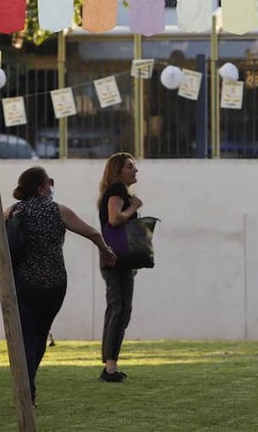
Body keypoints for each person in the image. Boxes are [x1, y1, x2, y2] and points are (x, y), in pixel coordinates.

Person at [0, 166, 116, 404]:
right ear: (42, 187)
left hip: (20, 285)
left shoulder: (12, 212)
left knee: (24, 337)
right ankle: (28, 383)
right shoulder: (58, 211)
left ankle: (26, 385)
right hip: (53, 285)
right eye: (49, 183)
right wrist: (106, 252)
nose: (52, 187)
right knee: (40, 335)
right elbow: (93, 233)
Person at [96, 152, 143, 382]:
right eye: (130, 167)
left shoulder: (115, 192)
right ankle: (110, 368)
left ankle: (110, 364)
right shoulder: (116, 192)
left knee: (119, 308)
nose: (135, 171)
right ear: (118, 171)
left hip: (116, 260)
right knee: (119, 309)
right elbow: (114, 219)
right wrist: (133, 207)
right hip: (117, 260)